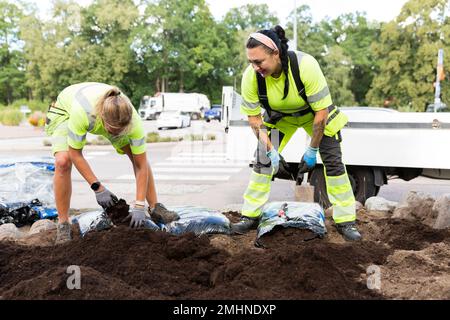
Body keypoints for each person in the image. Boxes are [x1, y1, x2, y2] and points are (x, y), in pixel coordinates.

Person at [232, 26, 361, 241]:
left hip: (314, 116)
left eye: (259, 62)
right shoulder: (251, 77)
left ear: (276, 54)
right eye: (251, 62)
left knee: (334, 164)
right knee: (262, 162)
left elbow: (321, 113)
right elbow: (254, 119)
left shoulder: (305, 66)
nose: (255, 67)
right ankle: (251, 215)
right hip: (280, 118)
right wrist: (271, 152)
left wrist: (312, 150)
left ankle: (345, 220)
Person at [45, 82, 178, 244]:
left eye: (121, 130)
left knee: (137, 157)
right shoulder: (82, 112)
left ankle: (155, 207)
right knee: (63, 162)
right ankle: (63, 223)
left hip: (111, 117)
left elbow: (141, 165)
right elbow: (75, 154)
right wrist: (98, 188)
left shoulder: (132, 122)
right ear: (102, 119)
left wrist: (139, 205)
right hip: (66, 110)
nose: (118, 134)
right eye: (114, 131)